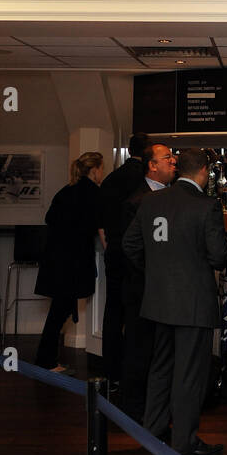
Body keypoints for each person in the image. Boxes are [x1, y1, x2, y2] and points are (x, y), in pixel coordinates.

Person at [122, 146, 227, 455]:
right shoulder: (206, 206)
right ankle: (184, 441)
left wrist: (155, 272)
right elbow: (219, 256)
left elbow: (130, 244)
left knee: (160, 369)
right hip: (193, 303)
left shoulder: (151, 201)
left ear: (179, 169)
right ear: (203, 173)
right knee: (189, 374)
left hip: (158, 300)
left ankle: (153, 433)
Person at [116, 142, 177, 421]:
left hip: (166, 292)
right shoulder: (136, 202)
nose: (173, 161)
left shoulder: (173, 197)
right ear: (152, 165)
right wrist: (154, 273)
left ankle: (158, 409)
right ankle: (134, 411)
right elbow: (129, 248)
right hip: (142, 290)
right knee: (139, 349)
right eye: (167, 158)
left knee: (162, 351)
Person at [34, 151, 103, 372]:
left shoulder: (66, 191)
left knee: (58, 311)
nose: (103, 173)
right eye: (101, 168)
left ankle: (46, 359)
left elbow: (50, 218)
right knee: (59, 312)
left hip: (57, 259)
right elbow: (97, 226)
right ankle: (46, 361)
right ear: (94, 170)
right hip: (73, 262)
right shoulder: (93, 194)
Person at [97, 134, 147, 390]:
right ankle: (133, 373)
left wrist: (109, 244)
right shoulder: (144, 181)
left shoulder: (110, 179)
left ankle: (111, 372)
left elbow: (101, 221)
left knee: (113, 310)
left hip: (114, 250)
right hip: (137, 255)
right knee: (137, 313)